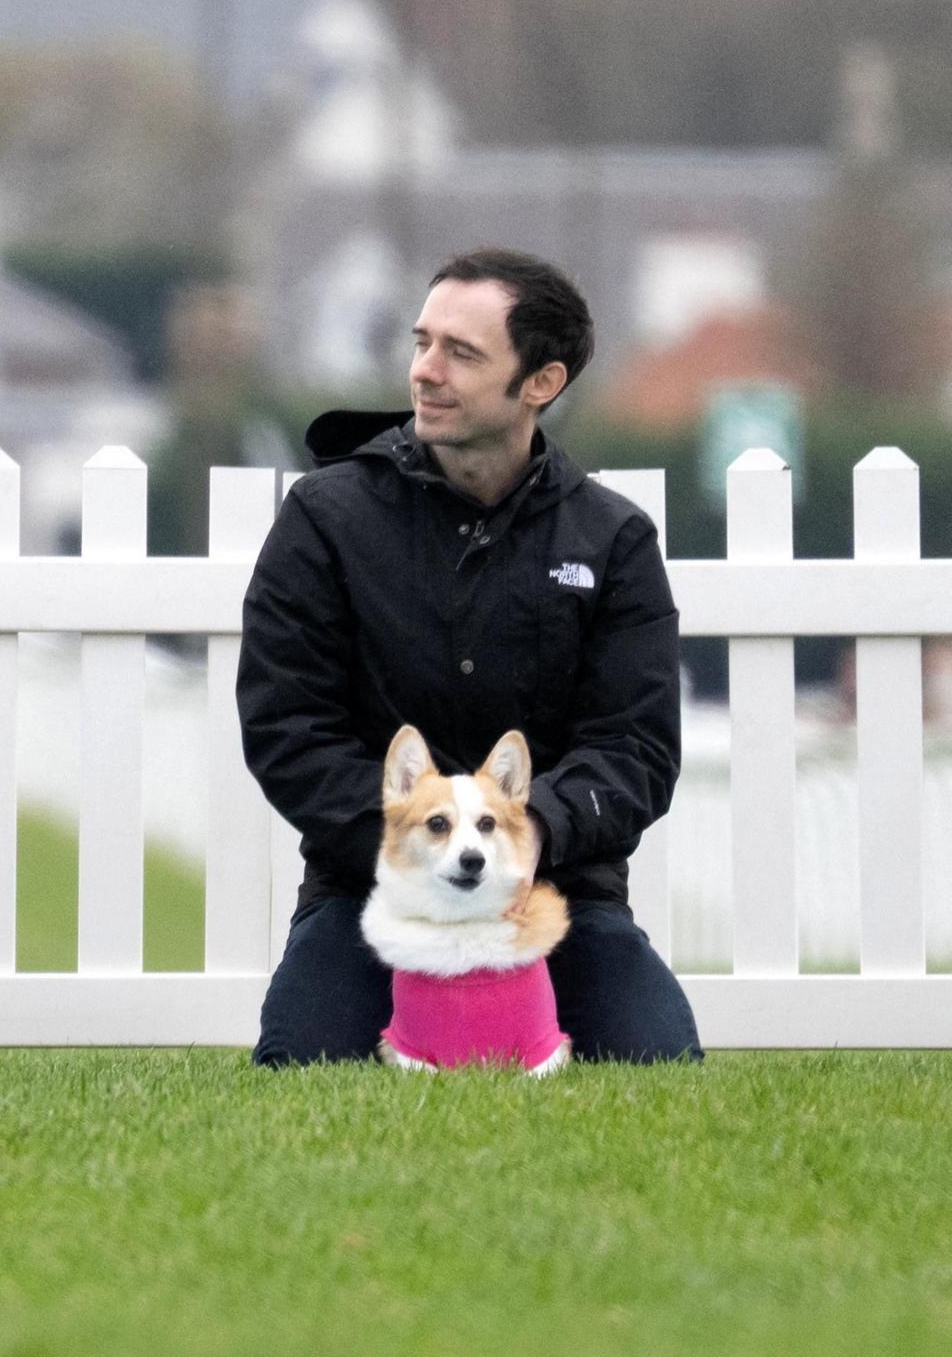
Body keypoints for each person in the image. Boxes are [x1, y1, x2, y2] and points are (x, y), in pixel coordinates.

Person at [239, 247, 699, 1064]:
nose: (425, 371)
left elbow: (637, 749)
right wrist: (420, 852)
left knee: (657, 1063)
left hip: (559, 898)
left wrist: (527, 843)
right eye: (422, 343)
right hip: (368, 897)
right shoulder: (322, 519)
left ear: (541, 383)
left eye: (462, 352)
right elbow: (286, 728)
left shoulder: (614, 542)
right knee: (301, 1068)